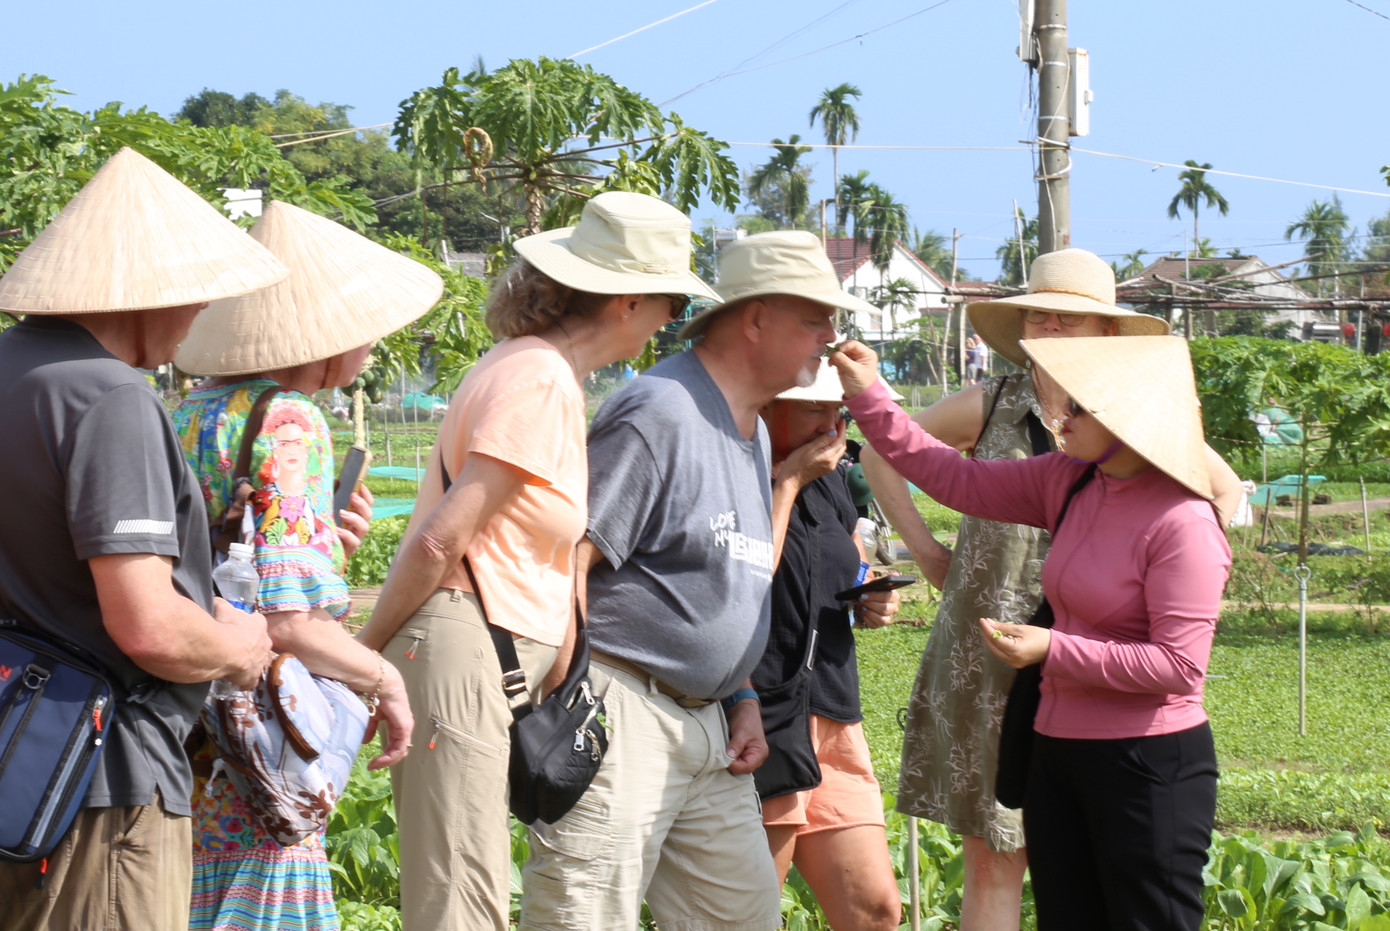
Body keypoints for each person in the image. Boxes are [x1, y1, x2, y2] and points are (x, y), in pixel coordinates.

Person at [354, 191, 717, 931]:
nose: (669, 321)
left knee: (469, 878)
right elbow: (440, 539)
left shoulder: (545, 374)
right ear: (629, 301)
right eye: (672, 304)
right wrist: (363, 658)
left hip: (488, 649)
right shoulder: (539, 379)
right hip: (464, 640)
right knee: (461, 892)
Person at [859, 248, 1240, 929]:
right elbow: (948, 475)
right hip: (1054, 743)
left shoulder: (1180, 518)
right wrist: (869, 393)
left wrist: (1052, 648)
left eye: (1078, 406)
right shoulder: (1070, 478)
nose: (1060, 417)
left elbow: (1180, 667)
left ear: (1125, 409)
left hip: (1141, 757)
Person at [517, 229, 878, 931]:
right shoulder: (662, 411)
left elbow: (725, 576)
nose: (829, 338)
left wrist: (739, 691)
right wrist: (569, 703)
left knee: (742, 916)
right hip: (625, 706)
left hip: (710, 723)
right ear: (756, 319)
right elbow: (565, 559)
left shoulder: (753, 429)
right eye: (815, 319)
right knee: (583, 917)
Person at [0, 147, 279, 930]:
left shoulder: (15, 374)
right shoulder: (110, 396)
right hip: (100, 783)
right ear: (146, 290)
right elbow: (147, 624)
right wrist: (239, 647)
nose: (202, 310)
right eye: (195, 290)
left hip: (16, 759)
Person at [172, 200, 438, 931]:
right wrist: (384, 680)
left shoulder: (191, 411)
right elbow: (287, 622)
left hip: (188, 737)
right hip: (255, 748)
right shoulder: (292, 421)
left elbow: (228, 566)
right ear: (326, 333)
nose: (372, 345)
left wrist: (332, 553)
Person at [753, 361, 903, 931]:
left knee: (875, 910)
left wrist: (869, 597)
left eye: (837, 410)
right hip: (762, 713)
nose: (830, 423)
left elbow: (848, 562)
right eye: (813, 408)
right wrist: (787, 481)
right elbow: (741, 581)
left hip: (833, 709)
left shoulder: (832, 481)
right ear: (768, 406)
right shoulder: (738, 474)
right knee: (753, 912)